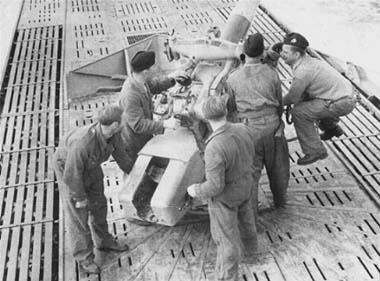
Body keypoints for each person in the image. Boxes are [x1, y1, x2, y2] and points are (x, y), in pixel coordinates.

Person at [53, 104, 132, 274]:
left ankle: (104, 241)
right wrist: (80, 198)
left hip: (91, 167)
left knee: (99, 204)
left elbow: (121, 155)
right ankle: (84, 258)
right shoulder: (83, 143)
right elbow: (72, 174)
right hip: (68, 169)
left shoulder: (113, 134)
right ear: (115, 124)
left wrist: (135, 173)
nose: (125, 121)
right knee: (78, 216)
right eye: (123, 120)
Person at [187, 96, 258, 281]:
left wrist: (195, 190)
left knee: (226, 240)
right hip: (246, 185)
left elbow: (215, 187)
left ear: (206, 117)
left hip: (226, 197)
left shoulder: (214, 146)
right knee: (247, 221)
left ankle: (227, 277)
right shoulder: (243, 128)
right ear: (225, 112)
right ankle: (252, 252)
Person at [225, 32, 289, 210]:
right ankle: (280, 201)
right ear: (262, 54)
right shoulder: (271, 73)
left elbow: (230, 107)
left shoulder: (233, 78)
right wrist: (279, 124)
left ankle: (251, 210)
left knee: (250, 173)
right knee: (279, 168)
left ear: (243, 53)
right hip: (272, 126)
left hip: (249, 130)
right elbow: (279, 103)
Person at [280, 32, 356, 165]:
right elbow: (302, 95)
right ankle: (332, 129)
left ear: (296, 55)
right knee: (311, 103)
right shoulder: (309, 61)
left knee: (300, 113)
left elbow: (292, 97)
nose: (281, 54)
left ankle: (315, 151)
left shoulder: (303, 71)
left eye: (285, 52)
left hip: (341, 102)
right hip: (344, 95)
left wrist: (276, 103)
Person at [119, 50, 191, 164]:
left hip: (144, 135)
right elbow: (138, 125)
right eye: (154, 66)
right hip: (134, 143)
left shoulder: (140, 80)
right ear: (145, 71)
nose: (157, 67)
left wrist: (171, 77)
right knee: (142, 169)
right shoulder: (130, 95)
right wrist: (164, 124)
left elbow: (154, 87)